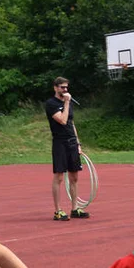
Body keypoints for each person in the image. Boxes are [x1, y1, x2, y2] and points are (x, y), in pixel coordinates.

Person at [45, 77, 88, 221]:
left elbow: (71, 123)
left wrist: (78, 143)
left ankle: (75, 208)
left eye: (66, 88)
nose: (65, 90)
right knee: (58, 176)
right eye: (62, 87)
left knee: (74, 176)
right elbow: (62, 120)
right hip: (60, 143)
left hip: (71, 142)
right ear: (55, 88)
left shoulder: (67, 104)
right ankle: (58, 210)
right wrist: (67, 102)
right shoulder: (51, 104)